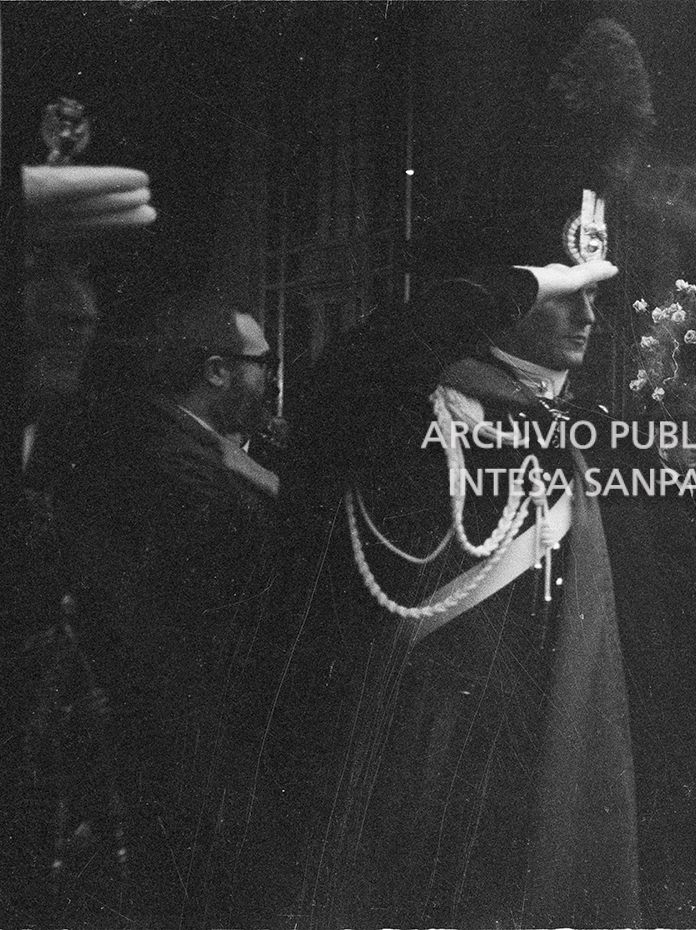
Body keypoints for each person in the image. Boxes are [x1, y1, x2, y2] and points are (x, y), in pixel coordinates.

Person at [237, 256, 640, 929]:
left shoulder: (579, 425)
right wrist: (519, 284)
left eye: (592, 297)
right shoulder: (400, 410)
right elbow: (357, 362)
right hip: (425, 724)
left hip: (542, 720)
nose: (586, 316)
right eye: (563, 297)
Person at [37, 290, 278, 924]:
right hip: (183, 722)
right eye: (261, 360)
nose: (268, 375)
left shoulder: (187, 443)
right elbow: (247, 568)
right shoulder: (169, 456)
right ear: (217, 370)